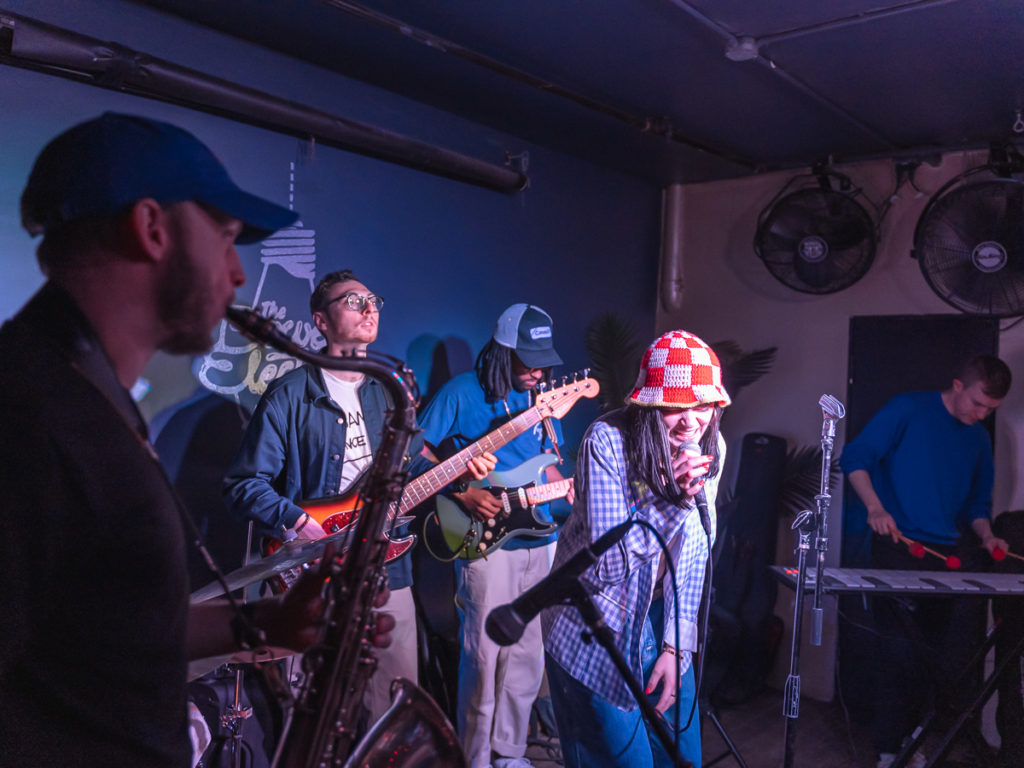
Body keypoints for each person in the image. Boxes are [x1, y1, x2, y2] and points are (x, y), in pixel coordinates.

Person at [0, 113, 394, 768]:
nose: (239, 274)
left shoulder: (83, 397)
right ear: (151, 229)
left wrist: (263, 625)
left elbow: (101, 626)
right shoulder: (29, 415)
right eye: (227, 236)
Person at [223, 268, 493, 724]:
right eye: (353, 301)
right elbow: (244, 485)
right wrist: (294, 521)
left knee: (391, 710)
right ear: (321, 322)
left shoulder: (391, 395)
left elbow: (411, 469)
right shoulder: (291, 394)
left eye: (373, 301)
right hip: (315, 574)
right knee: (310, 714)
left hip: (390, 573)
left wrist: (458, 471)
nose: (370, 309)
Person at [542, 329, 730, 768]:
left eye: (702, 405)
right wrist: (674, 501)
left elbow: (696, 550)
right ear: (648, 405)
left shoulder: (711, 445)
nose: (690, 421)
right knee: (622, 759)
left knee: (679, 754)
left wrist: (676, 646)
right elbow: (609, 564)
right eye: (673, 407)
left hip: (665, 611)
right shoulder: (607, 440)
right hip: (594, 617)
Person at [417, 303, 571, 768]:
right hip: (485, 539)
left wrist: (573, 491)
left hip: (539, 540)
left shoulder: (544, 398)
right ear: (504, 351)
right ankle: (475, 757)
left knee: (527, 656)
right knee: (483, 656)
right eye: (529, 358)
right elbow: (417, 454)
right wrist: (463, 491)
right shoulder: (461, 392)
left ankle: (510, 751)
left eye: (545, 357)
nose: (539, 368)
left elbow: (549, 459)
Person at [840, 354, 1012, 768]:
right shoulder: (907, 408)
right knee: (897, 654)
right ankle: (887, 750)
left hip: (947, 553)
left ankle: (913, 742)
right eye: (978, 404)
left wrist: (987, 536)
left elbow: (976, 503)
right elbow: (855, 458)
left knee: (936, 659)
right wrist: (875, 509)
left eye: (991, 409)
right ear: (958, 385)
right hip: (896, 546)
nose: (982, 414)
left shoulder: (978, 439)